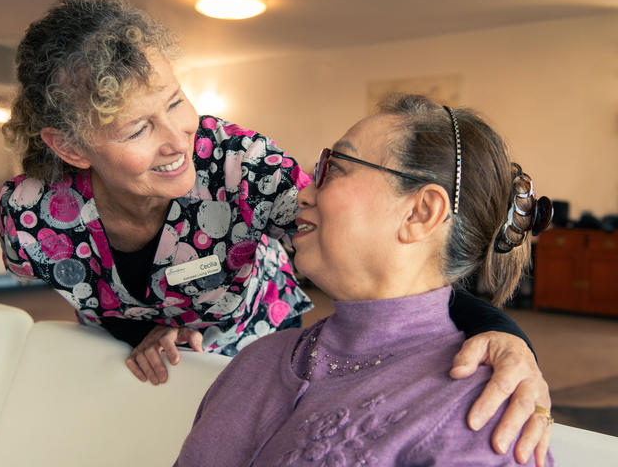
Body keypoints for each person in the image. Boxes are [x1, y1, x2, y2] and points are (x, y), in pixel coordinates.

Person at [0, 0, 551, 463]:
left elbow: (401, 265)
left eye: (176, 102)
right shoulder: (31, 218)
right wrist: (139, 332)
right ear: (70, 147)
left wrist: (509, 342)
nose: (176, 140)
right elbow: (102, 302)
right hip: (209, 374)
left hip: (266, 340)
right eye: (139, 128)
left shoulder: (238, 164)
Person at [177, 94, 555, 466]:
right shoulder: (256, 360)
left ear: (420, 212)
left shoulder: (480, 417)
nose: (303, 193)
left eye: (335, 168)